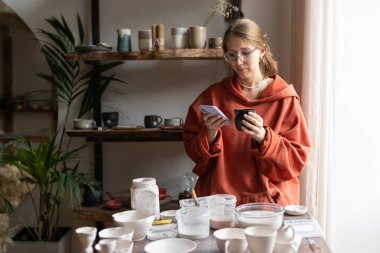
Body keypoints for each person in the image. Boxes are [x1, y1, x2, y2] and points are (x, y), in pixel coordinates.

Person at [183, 18, 311, 206]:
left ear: (262, 51)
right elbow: (192, 149)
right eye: (232, 55)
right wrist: (209, 134)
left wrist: (263, 137)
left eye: (245, 53)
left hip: (270, 204)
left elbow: (296, 160)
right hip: (221, 202)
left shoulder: (285, 99)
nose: (239, 62)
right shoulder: (212, 96)